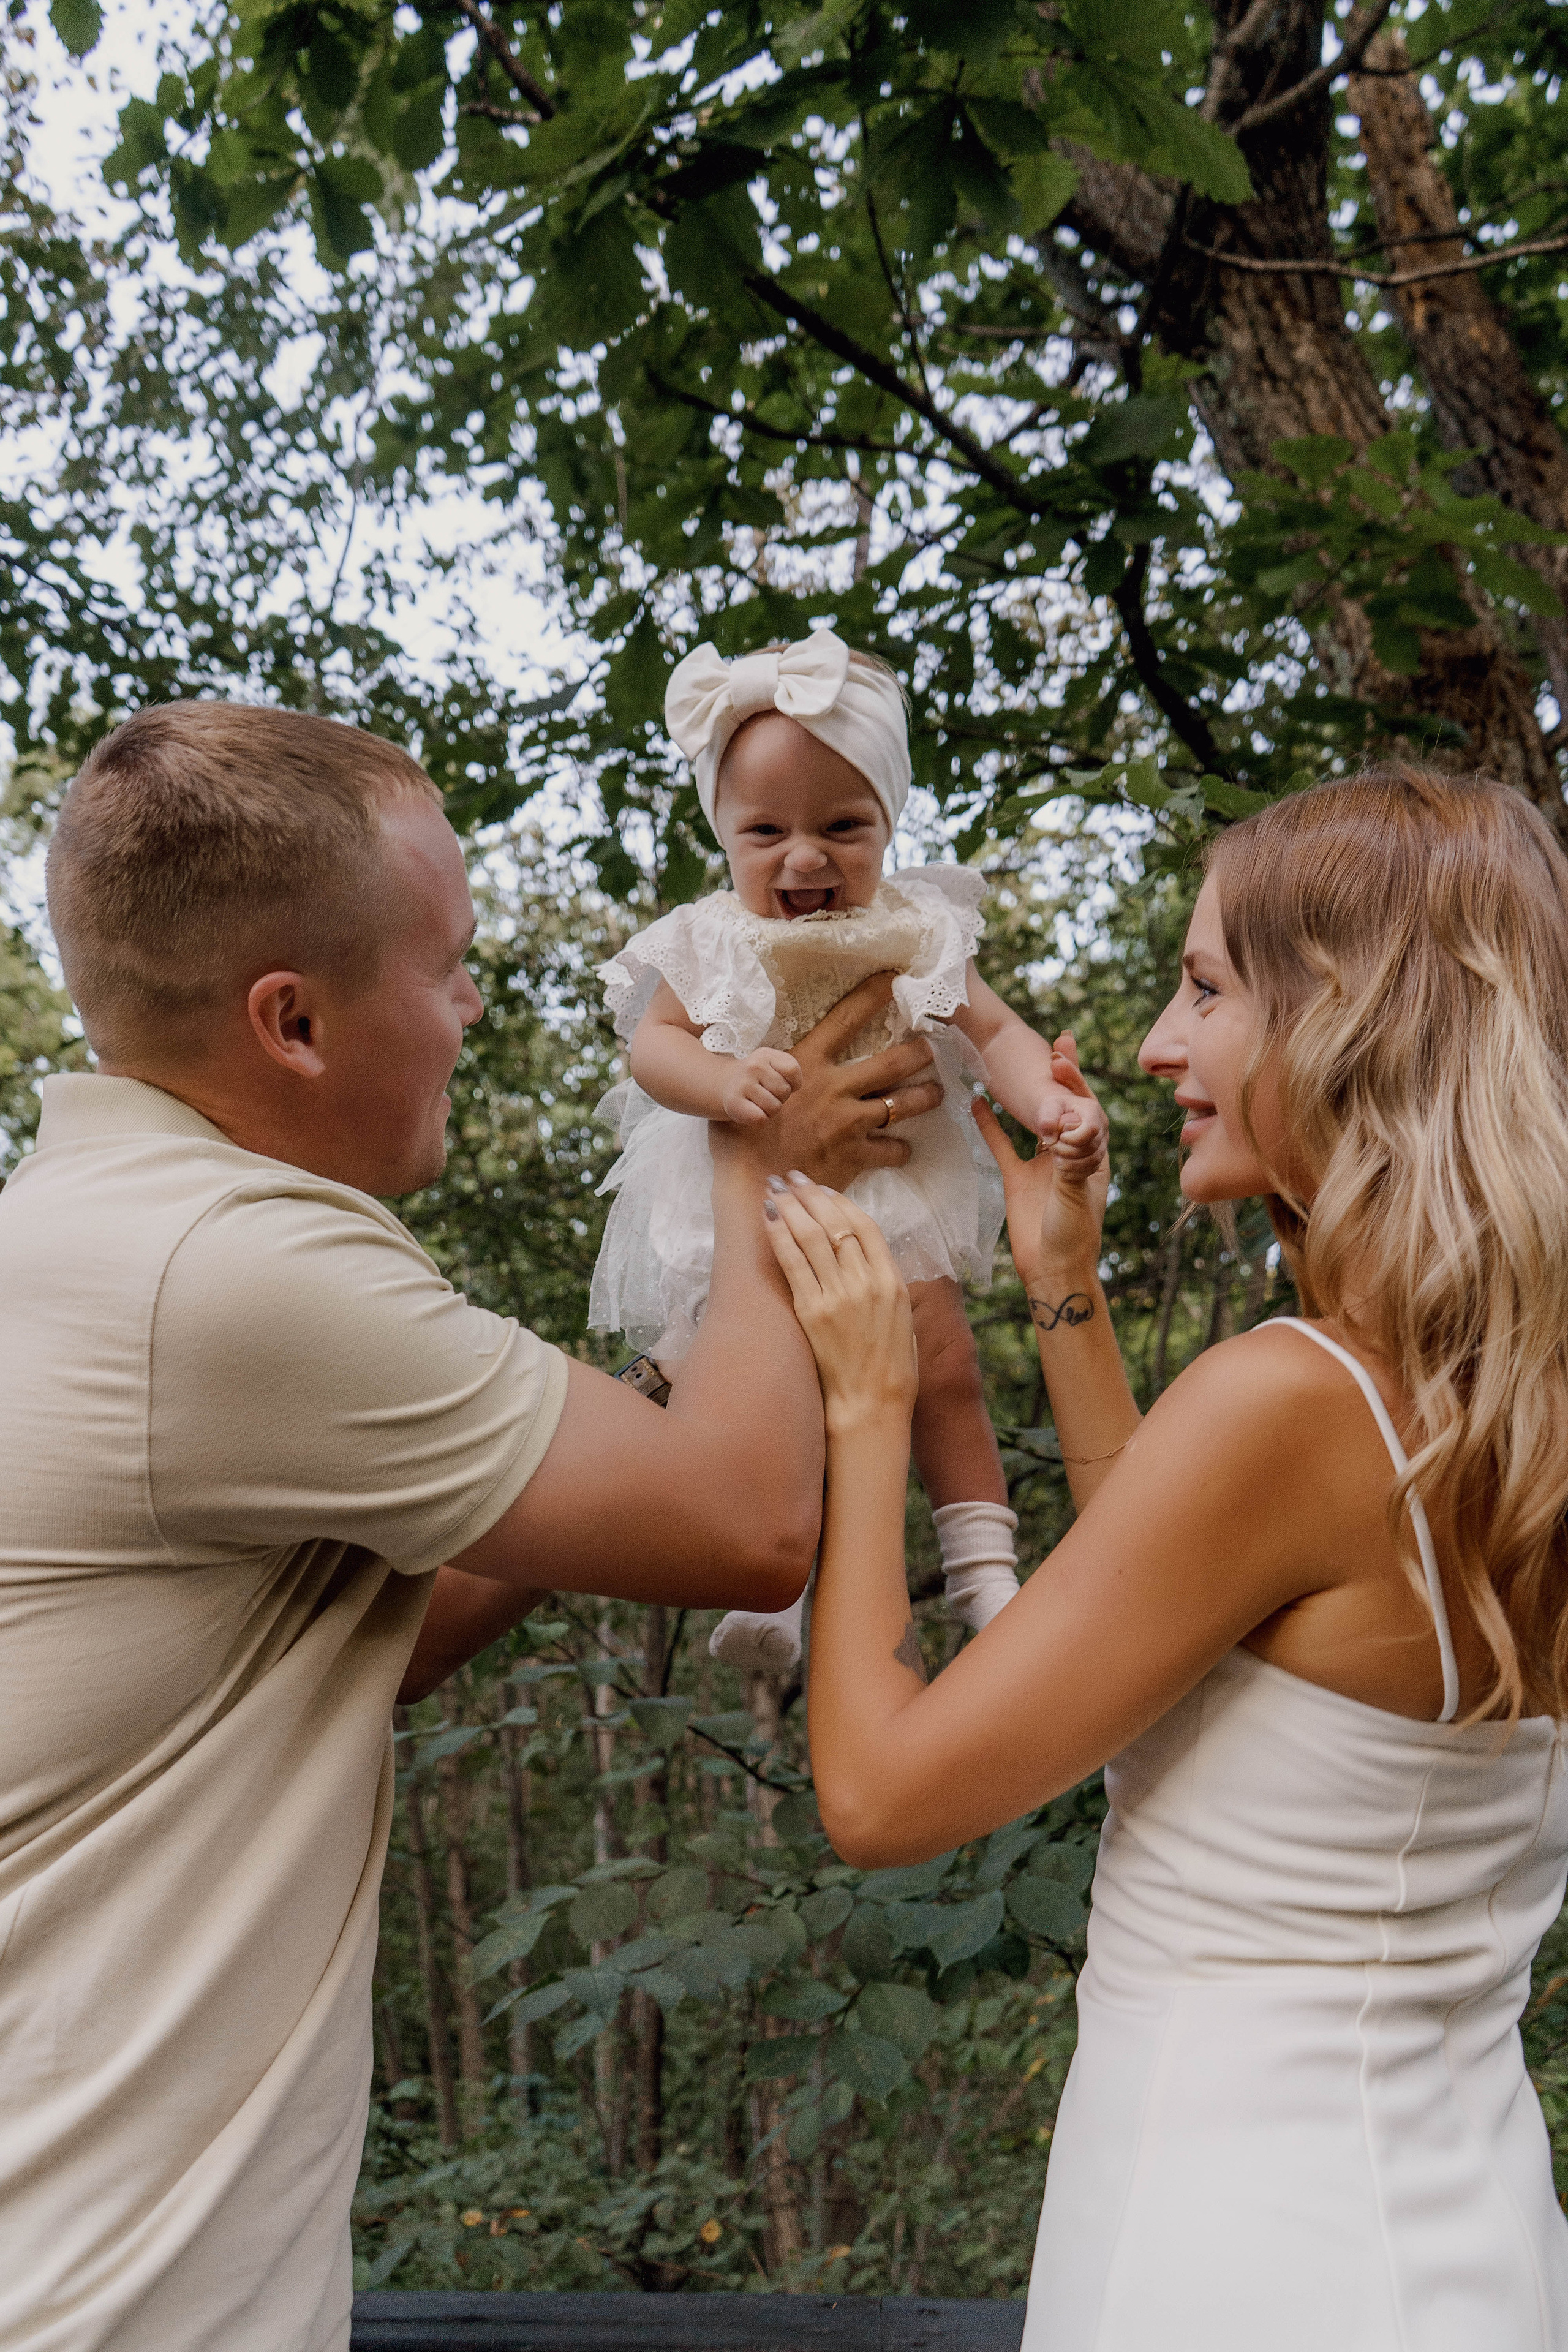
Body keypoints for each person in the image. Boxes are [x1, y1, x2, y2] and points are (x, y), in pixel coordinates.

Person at [0, 700, 947, 2352]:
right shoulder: (230, 1276)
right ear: (292, 1021)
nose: (474, 1007)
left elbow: (391, 1634)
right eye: (447, 967)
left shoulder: (95, 1233)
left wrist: (664, 1370)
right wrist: (753, 1152)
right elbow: (745, 1524)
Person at [761, 765, 1568, 2349]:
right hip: (1462, 2237)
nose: (1155, 1045)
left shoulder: (1292, 1401)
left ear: (1341, 1015)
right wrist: (1064, 1283)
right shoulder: (1487, 1404)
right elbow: (1204, 1596)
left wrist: (871, 1407)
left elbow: (879, 1793)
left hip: (1242, 2257)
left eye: (1205, 988)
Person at [590, 628, 1106, 1670]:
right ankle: (775, 1584)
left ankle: (984, 1573)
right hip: (758, 1204)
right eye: (766, 831)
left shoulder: (917, 927)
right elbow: (654, 1049)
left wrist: (1046, 1104)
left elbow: (993, 1031)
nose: (806, 856)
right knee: (769, 1379)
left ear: (889, 822)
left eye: (844, 825)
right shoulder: (708, 939)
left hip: (892, 1189)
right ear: (725, 836)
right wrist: (724, 1083)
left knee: (945, 1369)